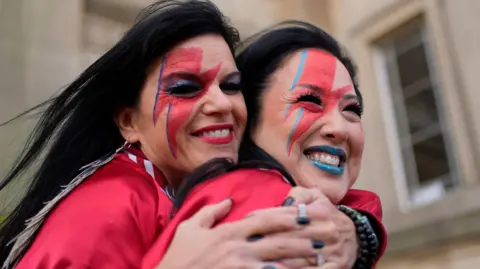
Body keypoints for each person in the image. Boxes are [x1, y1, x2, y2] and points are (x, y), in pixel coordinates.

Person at [0, 2, 380, 269]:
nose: (221, 103)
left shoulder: (173, 191)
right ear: (129, 122)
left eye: (231, 86)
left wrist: (358, 231)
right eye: (184, 88)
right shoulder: (112, 201)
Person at [142, 21, 387, 269]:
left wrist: (361, 229)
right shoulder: (267, 209)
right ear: (249, 117)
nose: (339, 128)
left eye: (351, 110)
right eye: (309, 100)